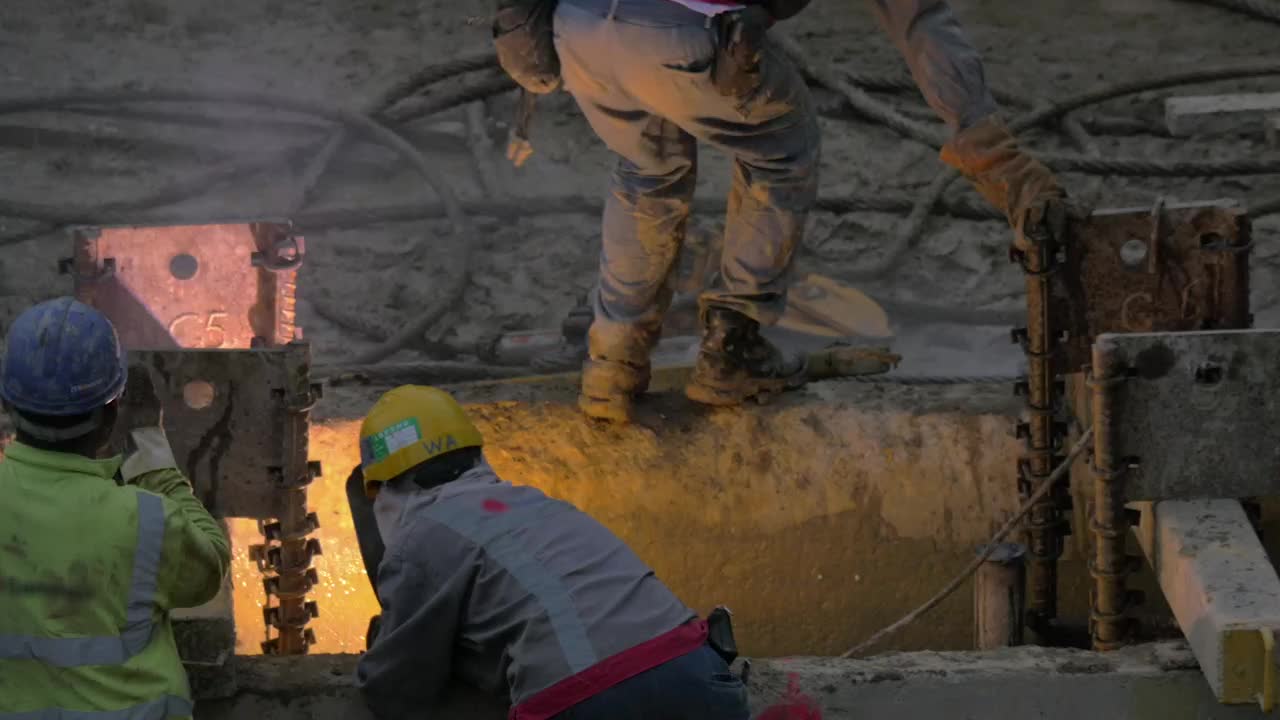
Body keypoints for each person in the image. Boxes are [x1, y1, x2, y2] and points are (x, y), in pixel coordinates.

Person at [535, 0, 1066, 422]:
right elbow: (920, 17)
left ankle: (612, 366)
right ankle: (731, 347)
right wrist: (986, 142)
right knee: (782, 150)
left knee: (646, 170)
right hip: (683, 32)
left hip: (579, 30)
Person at [351, 384, 749, 719]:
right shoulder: (532, 503)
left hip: (590, 699)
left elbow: (397, 691)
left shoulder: (420, 537)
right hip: (699, 672)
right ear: (474, 454)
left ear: (387, 488)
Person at [0, 297, 230, 720]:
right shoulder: (146, 520)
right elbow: (210, 565)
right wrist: (150, 449)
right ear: (111, 414)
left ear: (8, 407)